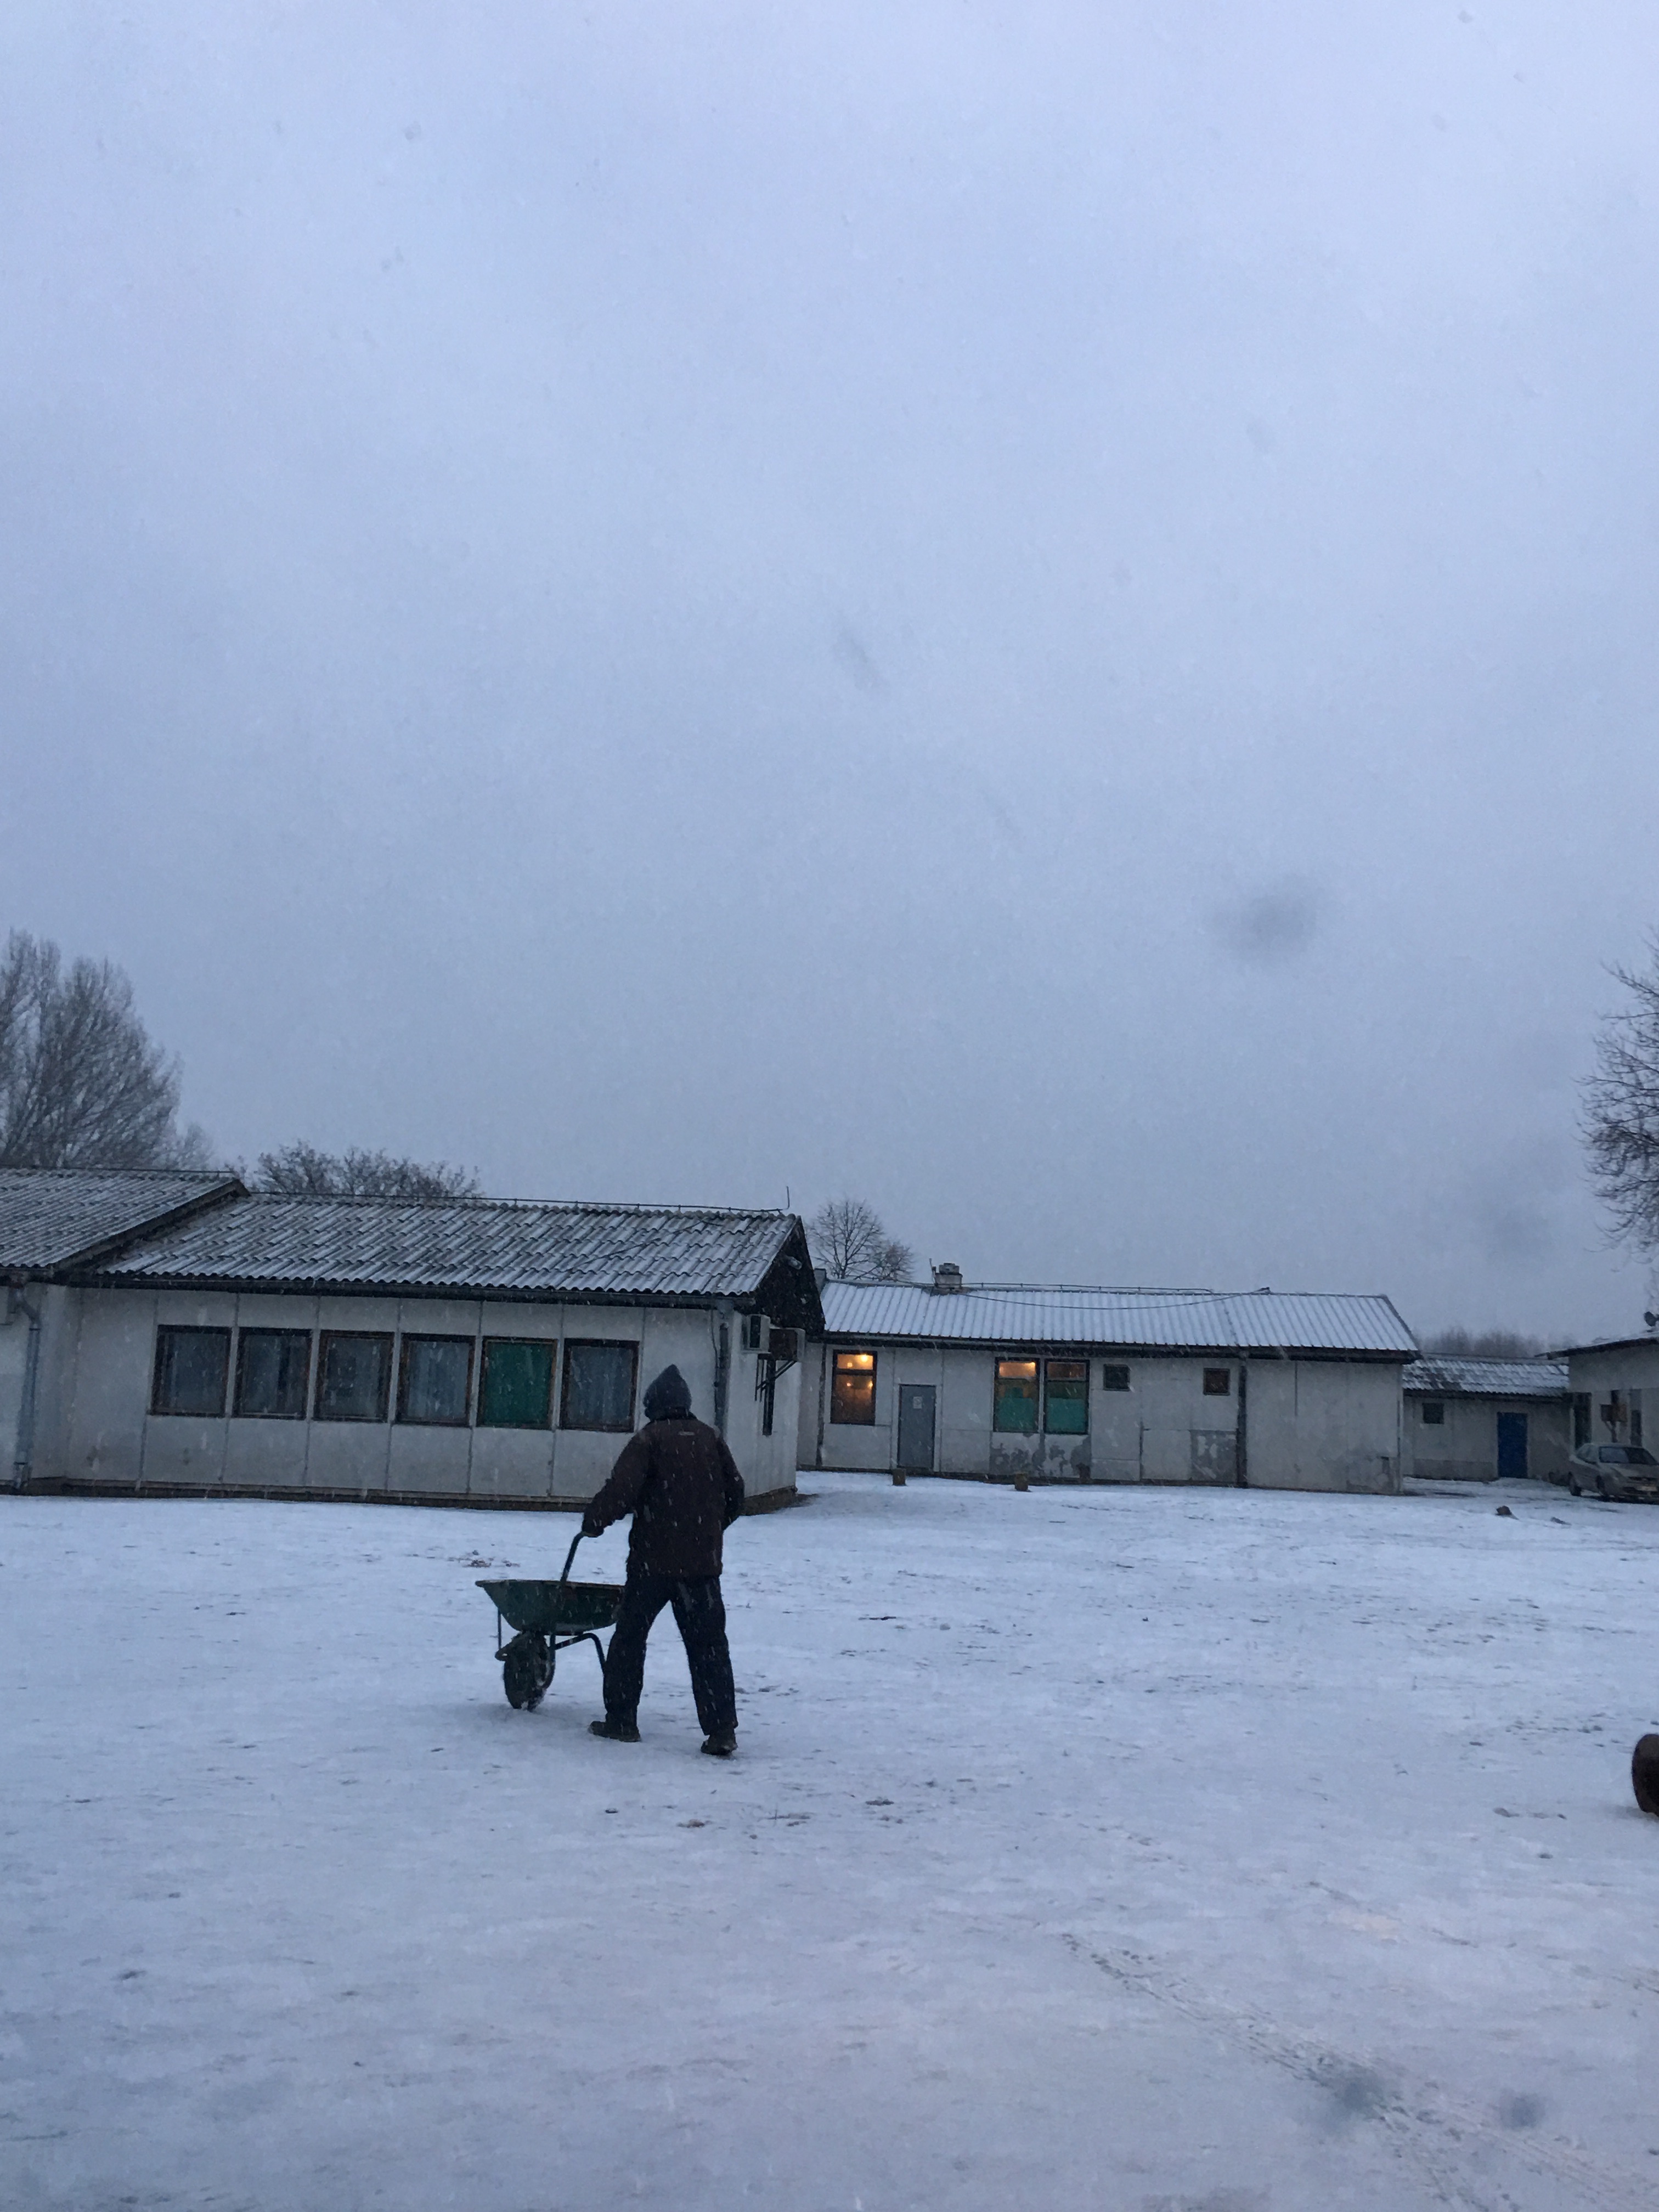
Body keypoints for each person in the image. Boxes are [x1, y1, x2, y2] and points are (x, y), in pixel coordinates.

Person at [582, 1362, 745, 1756]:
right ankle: (721, 1730)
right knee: (709, 1647)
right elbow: (737, 1494)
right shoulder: (711, 1439)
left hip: (651, 1565)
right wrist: (709, 1530)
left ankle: (622, 1721)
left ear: (654, 1404)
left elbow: (621, 1490)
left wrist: (595, 1520)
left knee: (629, 1640)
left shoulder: (649, 1440)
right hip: (701, 1567)